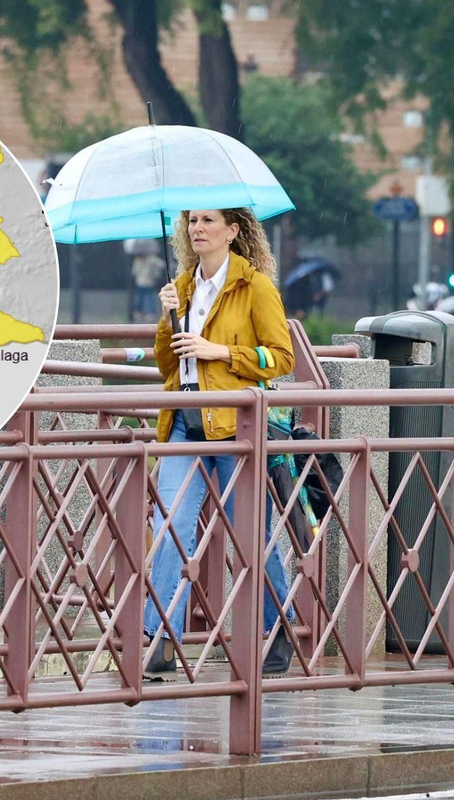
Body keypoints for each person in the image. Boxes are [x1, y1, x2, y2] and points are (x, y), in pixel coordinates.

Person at [145, 207, 297, 678]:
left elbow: (282, 358)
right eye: (192, 222)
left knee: (251, 536)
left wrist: (222, 353)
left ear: (233, 231)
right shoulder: (184, 288)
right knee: (169, 525)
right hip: (184, 424)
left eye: (209, 221)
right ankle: (161, 639)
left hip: (237, 430)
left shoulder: (255, 288)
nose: (197, 229)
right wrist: (167, 317)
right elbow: (167, 367)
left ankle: (279, 630)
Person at [129, 239, 166, 322]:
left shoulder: (150, 259)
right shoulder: (142, 260)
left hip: (145, 282)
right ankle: (143, 313)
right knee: (144, 298)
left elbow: (134, 272)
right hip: (144, 282)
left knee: (147, 298)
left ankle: (146, 313)